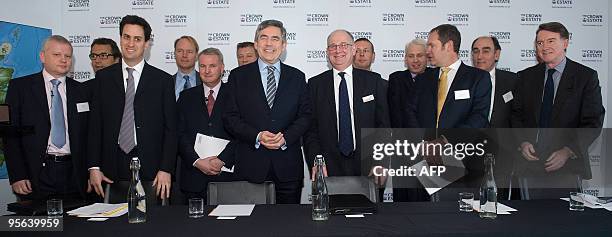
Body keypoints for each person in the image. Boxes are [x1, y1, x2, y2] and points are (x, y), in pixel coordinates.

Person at [87, 15, 177, 202]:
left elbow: (171, 130)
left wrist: (166, 168)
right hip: (111, 168)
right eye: (126, 37)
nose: (131, 43)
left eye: (137, 39)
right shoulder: (103, 79)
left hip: (152, 170)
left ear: (146, 44)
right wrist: (94, 167)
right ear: (120, 38)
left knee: (152, 228)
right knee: (112, 229)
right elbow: (95, 126)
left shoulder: (163, 81)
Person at [511, 22, 604, 199]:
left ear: (565, 43)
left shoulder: (586, 77)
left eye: (551, 41)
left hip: (567, 167)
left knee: (566, 224)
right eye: (540, 43)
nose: (545, 47)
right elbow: (516, 115)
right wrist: (522, 142)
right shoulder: (525, 77)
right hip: (529, 165)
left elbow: (593, 122)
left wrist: (568, 151)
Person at [223, 20, 311, 204]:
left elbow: (305, 116)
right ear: (256, 44)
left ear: (284, 45)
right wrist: (257, 135)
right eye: (263, 38)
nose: (269, 44)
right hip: (250, 166)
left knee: (287, 226)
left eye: (275, 39)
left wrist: (285, 137)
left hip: (288, 168)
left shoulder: (297, 77)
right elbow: (230, 118)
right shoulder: (238, 77)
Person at [405, 24, 491, 201]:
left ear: (449, 46)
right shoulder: (424, 78)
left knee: (458, 219)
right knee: (428, 218)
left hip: (462, 161)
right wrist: (423, 143)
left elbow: (479, 118)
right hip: (426, 161)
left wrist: (445, 141)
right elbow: (411, 112)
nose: (427, 50)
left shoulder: (477, 78)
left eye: (431, 45)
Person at [5, 35, 89, 200]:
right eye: (57, 55)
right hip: (36, 173)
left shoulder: (82, 91)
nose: (63, 60)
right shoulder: (20, 88)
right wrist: (17, 175)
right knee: (45, 225)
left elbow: (89, 135)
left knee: (77, 225)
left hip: (75, 174)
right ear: (42, 57)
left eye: (67, 56)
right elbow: (10, 135)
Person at [304, 29, 389, 177]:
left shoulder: (373, 81)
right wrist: (316, 161)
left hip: (369, 166)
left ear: (353, 49)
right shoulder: (315, 84)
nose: (338, 50)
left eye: (344, 45)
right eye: (333, 46)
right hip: (328, 168)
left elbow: (383, 126)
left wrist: (380, 160)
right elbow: (311, 130)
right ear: (327, 51)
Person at [177, 48, 234, 201]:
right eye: (202, 66)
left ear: (222, 68)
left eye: (212, 66)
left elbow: (242, 134)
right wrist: (196, 161)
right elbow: (179, 134)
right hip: (193, 178)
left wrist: (222, 159)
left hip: (227, 177)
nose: (207, 70)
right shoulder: (185, 97)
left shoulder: (236, 95)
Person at [471, 35, 518, 200]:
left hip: (503, 155)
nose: (479, 56)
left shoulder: (513, 81)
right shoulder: (464, 80)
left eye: (486, 51)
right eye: (476, 51)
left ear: (496, 54)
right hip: (470, 153)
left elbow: (518, 117)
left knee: (500, 203)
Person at [388, 38, 430, 128]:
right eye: (411, 56)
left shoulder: (436, 77)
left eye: (419, 55)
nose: (415, 60)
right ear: (405, 59)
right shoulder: (396, 79)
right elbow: (395, 114)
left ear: (427, 58)